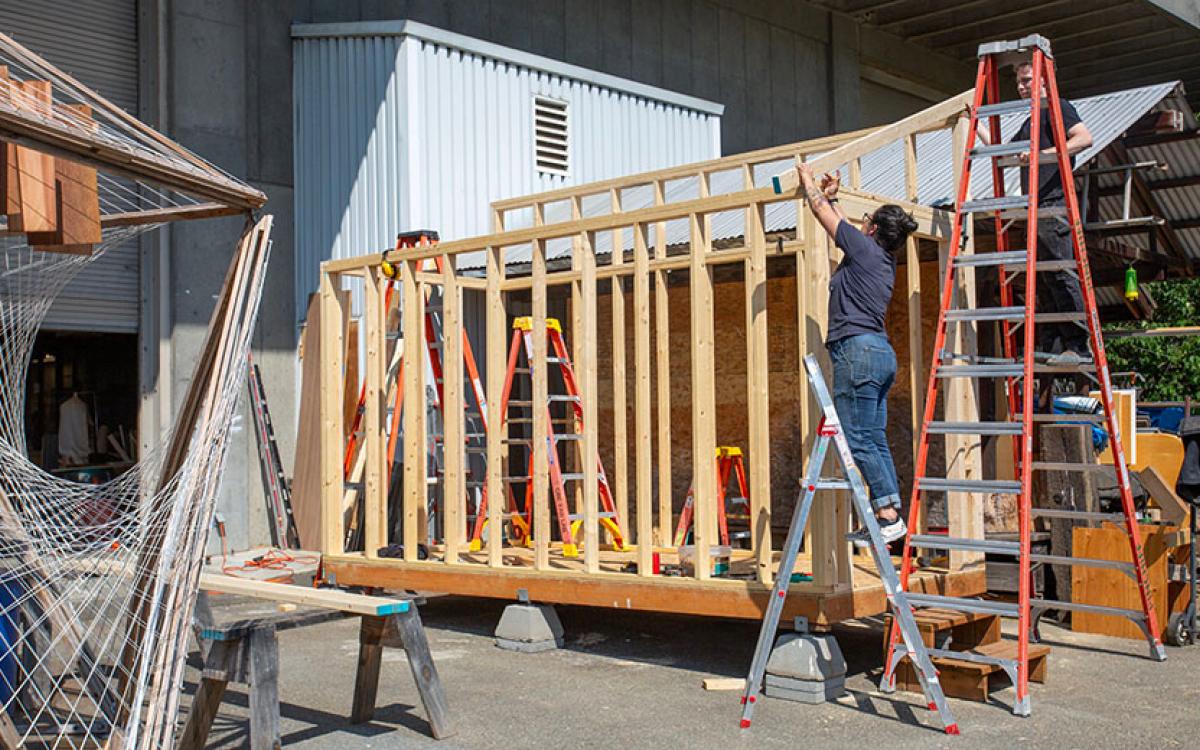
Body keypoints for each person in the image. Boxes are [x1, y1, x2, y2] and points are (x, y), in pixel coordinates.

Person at [796, 161, 917, 546]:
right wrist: (833, 198)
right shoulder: (878, 257)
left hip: (858, 351)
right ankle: (891, 513)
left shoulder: (864, 249)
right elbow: (843, 229)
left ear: (874, 230)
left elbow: (820, 213)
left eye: (867, 221)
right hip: (879, 353)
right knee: (874, 438)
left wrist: (807, 180)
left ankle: (885, 512)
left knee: (857, 438)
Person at [1011, 60, 1093, 364]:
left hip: (1054, 202)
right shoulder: (1031, 121)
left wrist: (1041, 156)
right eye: (1019, 82)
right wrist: (976, 126)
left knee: (1060, 271)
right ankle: (1056, 344)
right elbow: (1004, 151)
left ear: (1044, 80)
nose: (1021, 87)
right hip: (1036, 205)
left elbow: (1084, 138)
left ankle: (1078, 343)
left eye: (1027, 80)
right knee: (1044, 279)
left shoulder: (1058, 107)